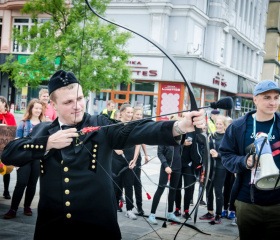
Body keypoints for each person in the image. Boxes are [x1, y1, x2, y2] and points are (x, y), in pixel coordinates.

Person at [0, 69, 206, 239]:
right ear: (52, 105)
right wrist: (47, 143)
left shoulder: (101, 125)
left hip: (97, 229)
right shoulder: (43, 131)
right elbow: (9, 154)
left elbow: (135, 130)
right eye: (68, 102)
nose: (77, 106)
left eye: (80, 98)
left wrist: (179, 126)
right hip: (53, 230)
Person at [220, 80, 280, 240]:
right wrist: (244, 161)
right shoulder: (238, 126)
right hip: (247, 201)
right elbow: (225, 155)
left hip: (277, 203)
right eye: (267, 97)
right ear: (255, 99)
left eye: (276, 97)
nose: (273, 102)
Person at [4, 98, 45, 219]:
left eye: (40, 108)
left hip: (37, 158)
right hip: (24, 158)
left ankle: (27, 207)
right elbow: (17, 142)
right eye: (35, 108)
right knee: (21, 183)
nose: (38, 110)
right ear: (31, 108)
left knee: (32, 184)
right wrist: (16, 161)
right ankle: (13, 209)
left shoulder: (45, 125)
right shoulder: (23, 123)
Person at [148, 115, 184, 225]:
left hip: (177, 167)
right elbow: (160, 153)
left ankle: (170, 213)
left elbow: (179, 152)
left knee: (173, 190)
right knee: (161, 189)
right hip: (166, 167)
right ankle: (152, 214)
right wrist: (166, 166)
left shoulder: (181, 136)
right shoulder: (164, 137)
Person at [112, 103, 139, 220]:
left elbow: (138, 143)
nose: (130, 114)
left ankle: (129, 209)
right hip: (117, 159)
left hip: (130, 159)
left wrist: (135, 159)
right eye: (127, 112)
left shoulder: (134, 126)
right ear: (121, 112)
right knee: (115, 184)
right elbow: (107, 140)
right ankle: (113, 206)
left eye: (131, 113)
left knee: (129, 185)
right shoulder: (115, 125)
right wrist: (114, 148)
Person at [199, 115, 228, 224]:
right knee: (208, 189)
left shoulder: (227, 138)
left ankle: (219, 214)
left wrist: (218, 155)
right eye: (217, 124)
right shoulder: (211, 136)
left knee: (218, 191)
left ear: (224, 126)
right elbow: (205, 149)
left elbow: (229, 154)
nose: (218, 126)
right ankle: (210, 212)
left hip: (220, 168)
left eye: (221, 124)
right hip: (210, 166)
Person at [174, 131, 203, 219]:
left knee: (189, 188)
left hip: (189, 165)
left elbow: (201, 145)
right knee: (177, 187)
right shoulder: (178, 130)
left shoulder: (194, 132)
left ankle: (186, 210)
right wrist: (182, 143)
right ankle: (177, 208)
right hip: (177, 163)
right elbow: (171, 143)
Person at [132, 106, 149, 216]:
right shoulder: (129, 125)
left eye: (140, 115)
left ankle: (140, 207)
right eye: (137, 114)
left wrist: (146, 154)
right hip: (127, 156)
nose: (139, 116)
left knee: (137, 183)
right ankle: (122, 203)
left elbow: (142, 140)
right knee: (125, 183)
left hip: (137, 158)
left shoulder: (141, 125)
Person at [0, 96, 17, 199]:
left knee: (7, 169)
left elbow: (12, 131)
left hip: (6, 147)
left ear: (4, 103)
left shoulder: (10, 116)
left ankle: (6, 191)